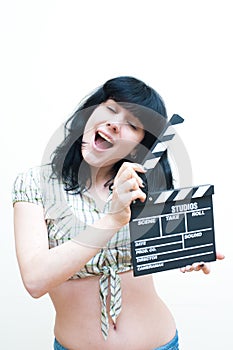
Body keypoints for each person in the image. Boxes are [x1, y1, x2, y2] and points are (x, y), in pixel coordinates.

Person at [12, 76, 224, 350]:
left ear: (138, 146)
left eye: (132, 125)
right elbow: (35, 280)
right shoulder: (34, 184)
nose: (115, 124)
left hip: (159, 344)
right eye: (111, 110)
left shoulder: (143, 188)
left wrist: (189, 251)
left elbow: (169, 244)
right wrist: (112, 219)